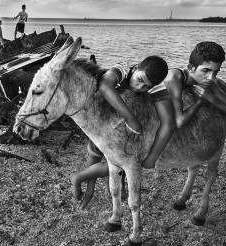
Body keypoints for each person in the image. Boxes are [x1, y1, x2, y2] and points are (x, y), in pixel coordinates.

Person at [71, 56, 175, 207]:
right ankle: (81, 181)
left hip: (123, 132)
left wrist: (153, 156)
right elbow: (105, 86)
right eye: (139, 80)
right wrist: (131, 119)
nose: (140, 87)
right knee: (96, 155)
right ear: (137, 67)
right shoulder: (124, 67)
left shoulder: (158, 86)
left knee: (118, 162)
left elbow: (168, 121)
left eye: (146, 86)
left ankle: (102, 187)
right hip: (101, 122)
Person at [164, 41, 226, 131]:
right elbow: (179, 121)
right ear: (190, 68)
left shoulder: (210, 81)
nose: (211, 77)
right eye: (205, 70)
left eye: (215, 72)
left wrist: (211, 98)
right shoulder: (174, 77)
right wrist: (200, 101)